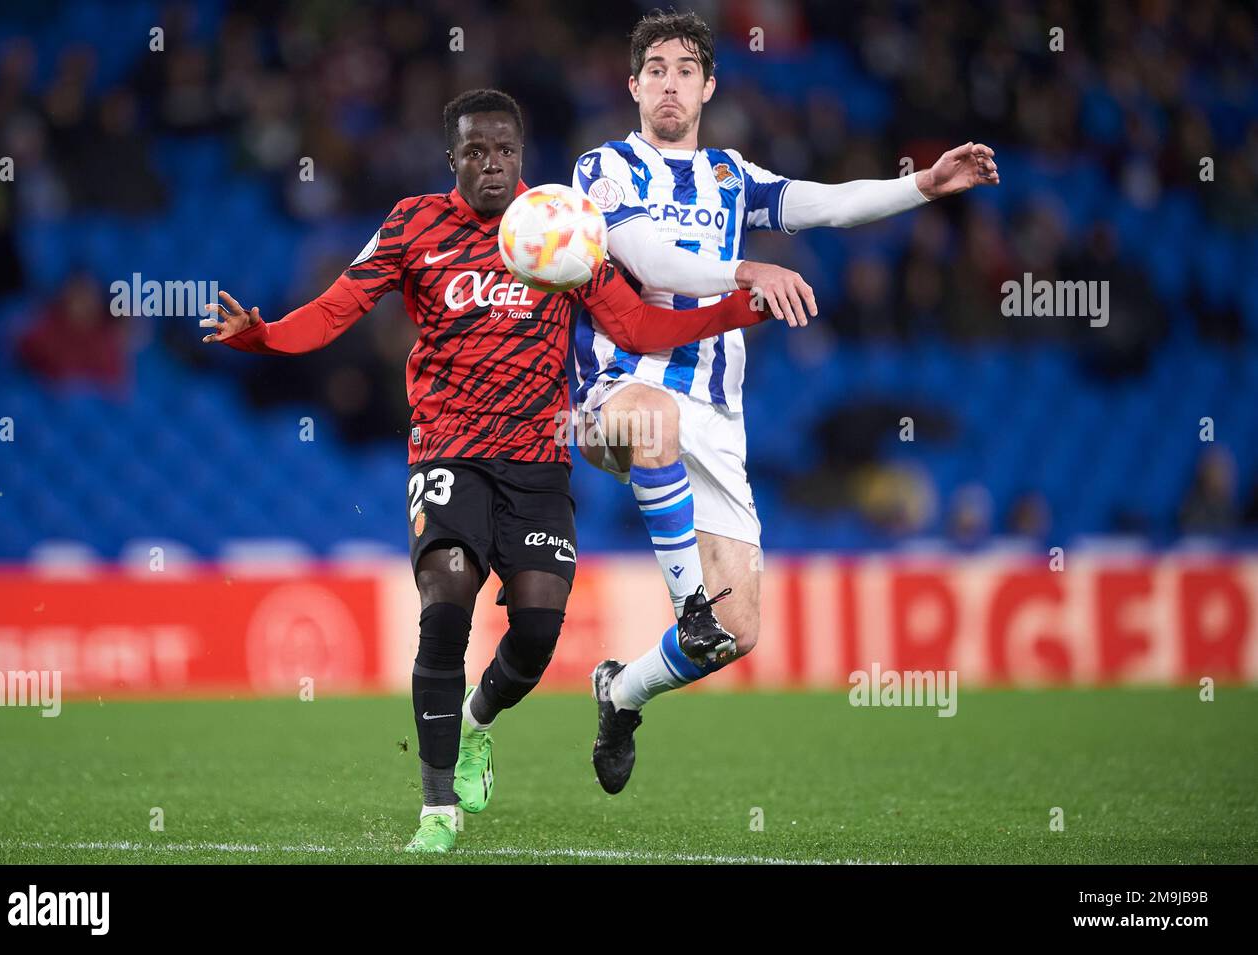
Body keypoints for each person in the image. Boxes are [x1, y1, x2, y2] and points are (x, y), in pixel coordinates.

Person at [201, 88, 784, 853]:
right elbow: (340, 307)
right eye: (475, 151)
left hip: (537, 457)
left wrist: (740, 307)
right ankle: (436, 808)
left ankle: (477, 722)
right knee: (444, 602)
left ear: (521, 155)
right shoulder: (415, 224)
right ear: (452, 158)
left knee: (538, 632)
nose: (492, 164)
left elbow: (638, 326)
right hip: (446, 447)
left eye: (505, 150)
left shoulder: (562, 228)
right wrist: (266, 337)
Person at [573, 11, 999, 794]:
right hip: (616, 394)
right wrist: (742, 273)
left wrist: (923, 185)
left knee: (736, 635)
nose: (670, 82)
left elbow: (828, 204)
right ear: (633, 85)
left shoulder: (733, 176)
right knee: (653, 419)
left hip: (714, 416)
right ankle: (687, 601)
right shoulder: (603, 168)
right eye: (655, 69)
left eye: (685, 69)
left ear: (708, 85)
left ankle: (620, 694)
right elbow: (641, 251)